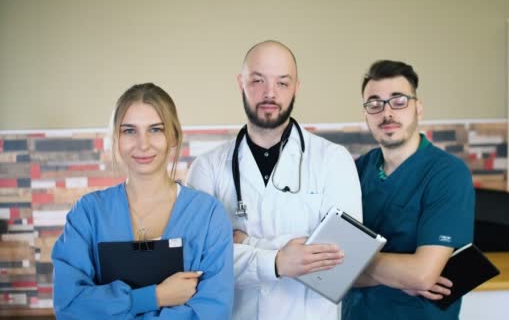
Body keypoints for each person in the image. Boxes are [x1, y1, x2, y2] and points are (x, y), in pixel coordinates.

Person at [186, 40, 362, 320]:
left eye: (282, 83)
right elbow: (199, 261)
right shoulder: (207, 168)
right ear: (240, 82)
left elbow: (342, 264)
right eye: (258, 80)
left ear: (296, 87)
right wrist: (279, 261)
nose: (270, 93)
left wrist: (247, 244)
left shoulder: (333, 160)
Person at [52, 83, 234, 319]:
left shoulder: (208, 216)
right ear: (115, 139)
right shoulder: (88, 213)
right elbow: (69, 307)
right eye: (129, 131)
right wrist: (155, 296)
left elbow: (213, 312)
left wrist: (112, 307)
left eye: (156, 129)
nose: (143, 144)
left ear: (174, 137)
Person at [342, 60, 475, 319]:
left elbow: (422, 276)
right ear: (365, 113)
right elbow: (331, 270)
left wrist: (356, 260)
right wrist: (402, 274)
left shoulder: (447, 174)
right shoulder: (357, 170)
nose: (386, 113)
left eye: (399, 100)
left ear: (418, 108)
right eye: (374, 103)